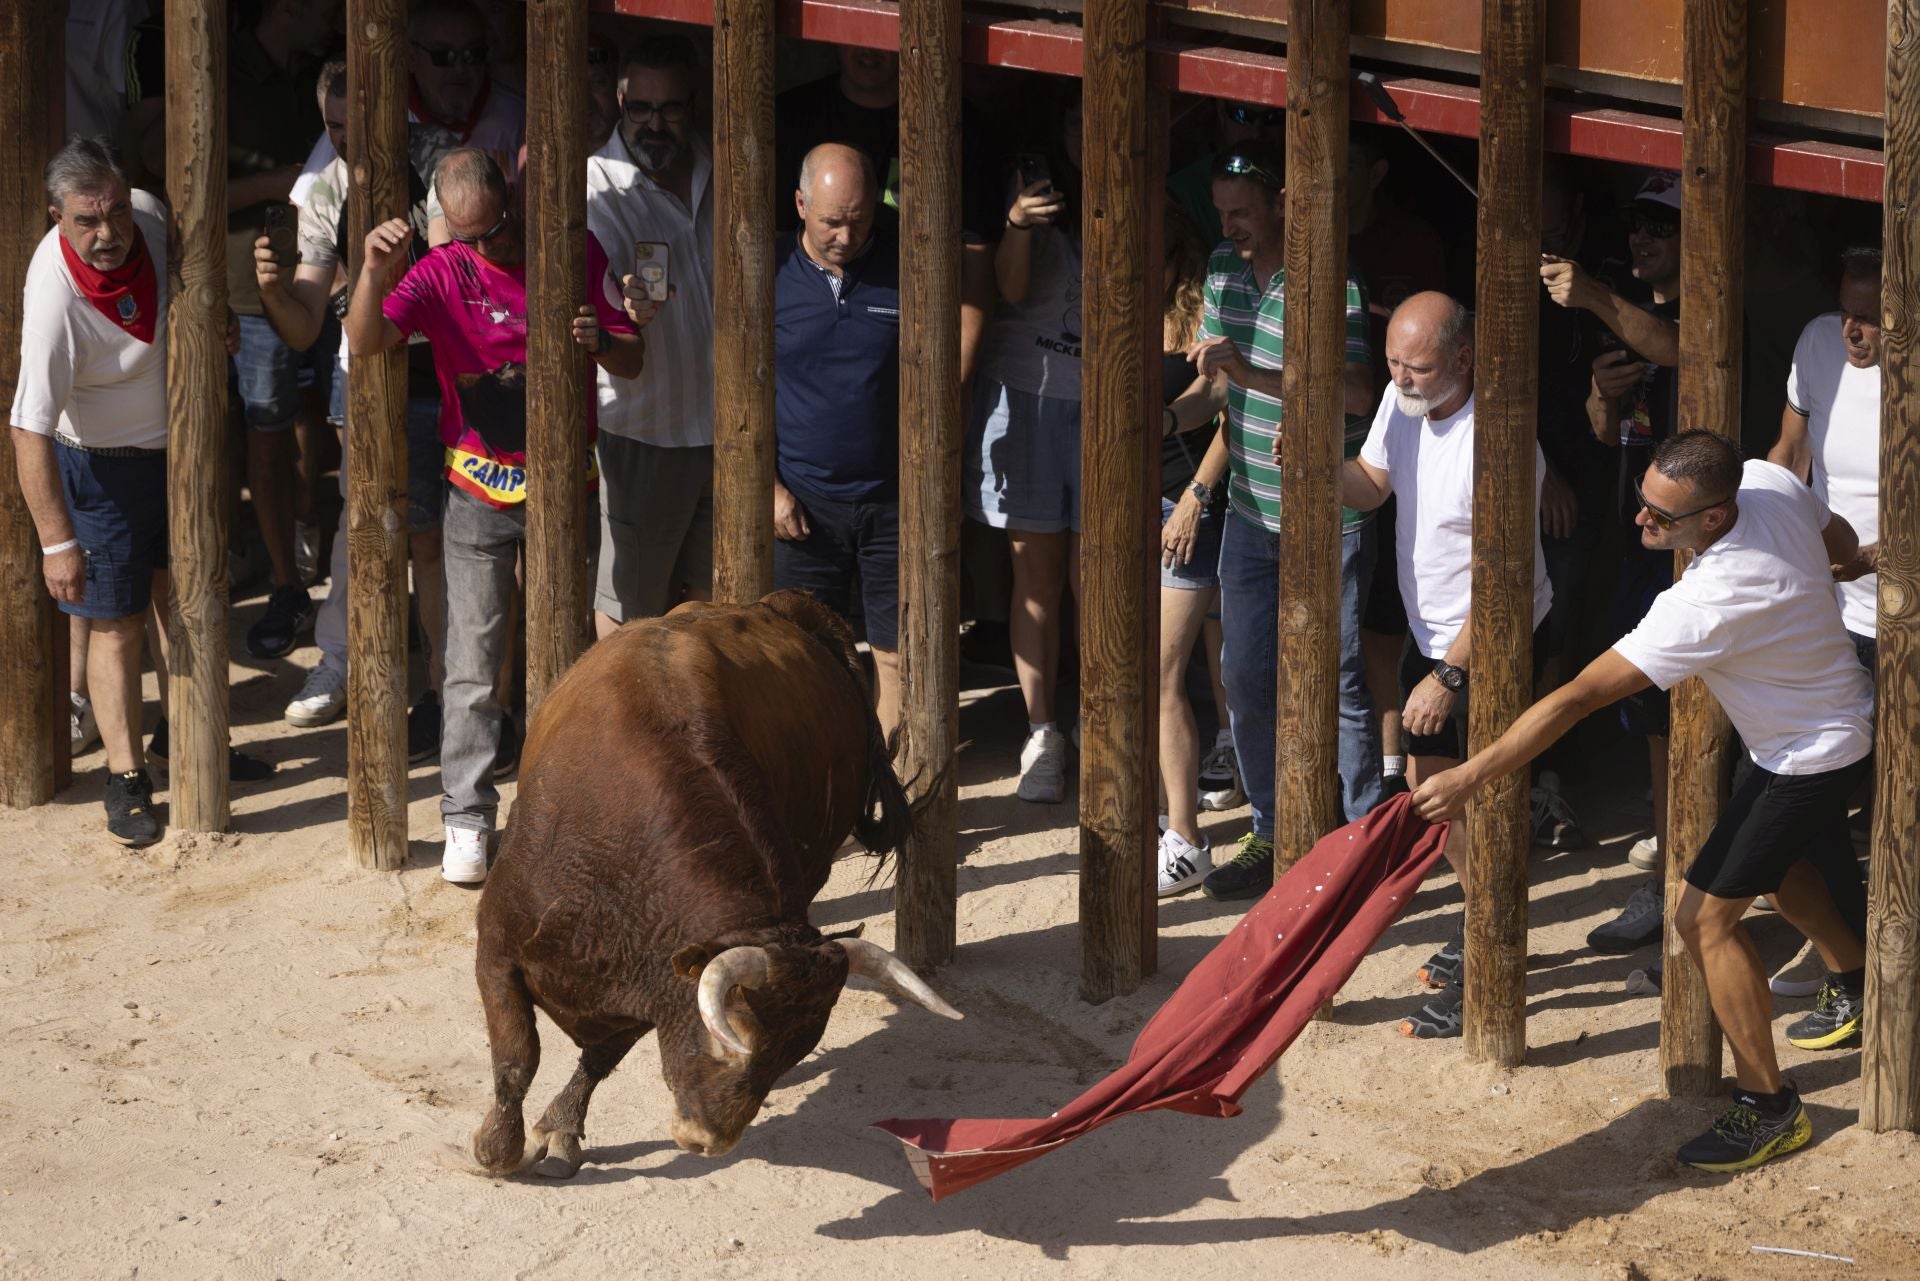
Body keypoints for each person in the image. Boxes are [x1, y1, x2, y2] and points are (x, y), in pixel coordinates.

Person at [1413, 431, 1874, 1172]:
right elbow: (1843, 543)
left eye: (1661, 518)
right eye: (1642, 504)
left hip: (1814, 754)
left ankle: (1770, 1106)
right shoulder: (1766, 480)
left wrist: (1472, 775)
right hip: (1818, 723)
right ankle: (1856, 987)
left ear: (1714, 519)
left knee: (1702, 918)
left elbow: (1574, 699)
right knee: (1778, 871)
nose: (1641, 525)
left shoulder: (1705, 600)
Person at [346, 148, 646, 884]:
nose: (490, 247)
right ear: (445, 226)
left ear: (514, 200)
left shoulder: (570, 248)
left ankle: (558, 811)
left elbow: (633, 356)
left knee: (564, 658)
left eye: (499, 229)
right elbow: (362, 342)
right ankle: (468, 819)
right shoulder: (440, 270)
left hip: (564, 487)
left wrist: (600, 341)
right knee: (471, 661)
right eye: (470, 236)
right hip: (476, 489)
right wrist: (370, 271)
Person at [11, 138, 267, 846]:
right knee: (116, 623)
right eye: (88, 219)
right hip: (102, 468)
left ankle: (185, 743)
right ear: (57, 215)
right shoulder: (54, 295)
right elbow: (28, 429)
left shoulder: (153, 218)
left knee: (183, 603)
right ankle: (125, 779)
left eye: (115, 211)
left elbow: (195, 305)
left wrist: (221, 329)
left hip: (180, 453)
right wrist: (56, 540)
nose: (108, 232)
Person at [1162, 140, 1378, 900]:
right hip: (1252, 506)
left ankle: (1356, 845)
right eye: (1221, 213)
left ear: (1285, 202)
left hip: (1329, 512)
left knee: (1344, 681)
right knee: (1245, 676)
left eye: (1243, 213)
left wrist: (1246, 372)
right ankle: (1272, 826)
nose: (1231, 228)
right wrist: (1158, 418)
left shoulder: (1331, 275)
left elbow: (1356, 393)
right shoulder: (1222, 267)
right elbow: (1217, 395)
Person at [1338, 291, 1552, 1037]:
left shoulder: (1499, 438)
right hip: (1432, 636)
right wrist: (1316, 468)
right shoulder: (1401, 404)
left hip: (1492, 643)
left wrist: (1452, 675)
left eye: (1418, 365)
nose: (1401, 377)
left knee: (1485, 803)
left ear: (1463, 359)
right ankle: (1480, 921)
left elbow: (1506, 581)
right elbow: (1371, 483)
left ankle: (1495, 956)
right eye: (1393, 360)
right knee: (1436, 798)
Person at [258, 61, 448, 756]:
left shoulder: (441, 162)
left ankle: (440, 691)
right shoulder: (327, 191)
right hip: (368, 375)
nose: (342, 138)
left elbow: (446, 279)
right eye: (332, 125)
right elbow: (307, 321)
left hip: (443, 376)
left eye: (354, 123)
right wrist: (274, 291)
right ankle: (361, 673)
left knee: (436, 545)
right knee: (371, 529)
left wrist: (357, 291)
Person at [1540, 170, 1683, 956]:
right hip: (1638, 546)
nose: (1644, 238)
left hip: (1699, 555)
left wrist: (1591, 293)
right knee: (1654, 722)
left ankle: (1682, 882)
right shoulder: (1625, 319)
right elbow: (1610, 435)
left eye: (1662, 225)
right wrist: (1602, 397)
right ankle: (1668, 873)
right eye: (1639, 223)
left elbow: (1682, 346)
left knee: (1691, 721)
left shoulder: (1695, 309)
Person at [1764, 244, 1883, 997]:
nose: (1853, 332)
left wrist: (1870, 558)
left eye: (1870, 319)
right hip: (1834, 611)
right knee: (1812, 785)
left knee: (1891, 804)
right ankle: (1842, 938)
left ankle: (1885, 955)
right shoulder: (1816, 341)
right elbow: (1789, 451)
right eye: (1847, 312)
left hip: (1900, 617)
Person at [965, 89, 1086, 804]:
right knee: (1035, 578)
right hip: (1029, 397)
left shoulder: (1145, 180)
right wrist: (1016, 222)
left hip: (1107, 401)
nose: (1083, 130)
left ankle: (1103, 721)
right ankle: (1043, 730)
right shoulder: (1024, 182)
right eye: (1072, 115)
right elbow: (1007, 289)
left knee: (1094, 580)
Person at [221, 0, 342, 662]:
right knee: (264, 433)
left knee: (319, 419)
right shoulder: (222, 71)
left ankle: (310, 545)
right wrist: (290, 182)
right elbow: (193, 183)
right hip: (252, 287)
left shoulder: (319, 73)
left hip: (330, 278)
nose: (332, 15)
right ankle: (286, 583)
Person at [770, 144, 904, 735]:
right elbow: (736, 396)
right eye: (830, 221)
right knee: (808, 654)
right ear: (800, 205)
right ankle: (826, 782)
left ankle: (891, 784)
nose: (845, 237)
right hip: (802, 502)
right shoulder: (769, 275)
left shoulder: (904, 270)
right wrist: (769, 488)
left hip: (891, 501)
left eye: (858, 220)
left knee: (900, 654)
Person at [585, 33, 715, 636]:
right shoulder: (597, 188)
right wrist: (626, 309)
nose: (655, 125)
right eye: (640, 109)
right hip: (644, 431)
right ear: (617, 101)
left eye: (671, 109)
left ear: (693, 106)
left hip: (724, 430)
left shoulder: (720, 168)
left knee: (713, 601)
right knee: (630, 610)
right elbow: (606, 294)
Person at [1154, 202, 1238, 896]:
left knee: (1162, 670)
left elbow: (1227, 408)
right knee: (1159, 667)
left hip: (1191, 504)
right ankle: (1175, 814)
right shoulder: (1117, 306)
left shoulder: (1205, 312)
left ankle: (1186, 838)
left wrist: (1196, 495)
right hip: (1134, 503)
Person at [774, 45, 901, 232]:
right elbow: (777, 233)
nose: (868, 48)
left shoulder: (943, 126)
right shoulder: (791, 116)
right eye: (857, 35)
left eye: (880, 37)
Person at [1165, 97, 1286, 247]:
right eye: (1242, 115)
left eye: (1273, 117)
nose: (1258, 131)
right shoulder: (1181, 195)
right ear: (1221, 113)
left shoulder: (1310, 184)